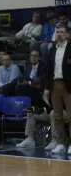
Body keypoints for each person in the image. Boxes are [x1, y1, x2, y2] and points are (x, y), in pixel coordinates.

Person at [45, 24, 71, 155]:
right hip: (54, 84)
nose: (59, 34)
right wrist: (46, 88)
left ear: (66, 34)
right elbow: (48, 70)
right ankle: (61, 143)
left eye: (62, 32)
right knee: (58, 116)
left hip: (68, 86)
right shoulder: (52, 50)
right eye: (57, 32)